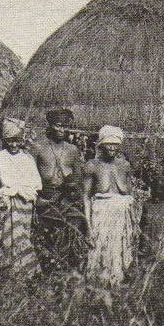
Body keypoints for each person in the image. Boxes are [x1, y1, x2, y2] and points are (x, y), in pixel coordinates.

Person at [0, 118, 43, 278]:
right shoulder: (0, 158)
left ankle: (25, 278)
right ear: (5, 140)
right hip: (7, 206)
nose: (13, 145)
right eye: (10, 141)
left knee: (22, 240)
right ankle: (3, 278)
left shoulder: (28, 159)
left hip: (25, 206)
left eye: (17, 141)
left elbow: (35, 185)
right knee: (4, 241)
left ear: (22, 140)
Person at [29, 109, 85, 271]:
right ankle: (48, 274)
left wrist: (77, 195)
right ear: (51, 125)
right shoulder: (39, 147)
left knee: (70, 238)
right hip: (45, 198)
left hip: (67, 199)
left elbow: (78, 178)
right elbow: (30, 174)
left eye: (65, 126)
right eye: (58, 126)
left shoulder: (72, 150)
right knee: (46, 240)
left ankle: (67, 274)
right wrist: (35, 199)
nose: (61, 130)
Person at [82, 125, 135, 284]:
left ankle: (118, 285)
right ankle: (99, 288)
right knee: (101, 252)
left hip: (122, 217)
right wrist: (88, 227)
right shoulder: (92, 166)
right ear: (101, 144)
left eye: (116, 144)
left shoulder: (124, 165)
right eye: (108, 143)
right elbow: (85, 197)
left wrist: (134, 221)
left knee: (120, 252)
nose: (112, 147)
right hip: (101, 215)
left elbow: (130, 193)